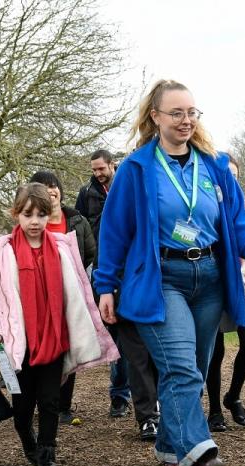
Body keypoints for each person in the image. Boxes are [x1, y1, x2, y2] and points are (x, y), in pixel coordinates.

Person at [94, 79, 245, 466]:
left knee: (192, 371)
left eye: (191, 112)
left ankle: (167, 444)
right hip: (162, 280)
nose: (185, 120)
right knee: (179, 367)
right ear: (156, 117)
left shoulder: (213, 164)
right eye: (175, 112)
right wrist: (106, 285)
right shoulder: (137, 169)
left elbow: (237, 219)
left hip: (211, 277)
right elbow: (114, 231)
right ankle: (199, 455)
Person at [0, 183, 118, 466]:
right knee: (21, 409)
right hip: (21, 342)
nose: (35, 221)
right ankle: (27, 438)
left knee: (50, 401)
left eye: (41, 214)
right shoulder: (1, 252)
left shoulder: (61, 247)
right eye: (28, 214)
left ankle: (47, 459)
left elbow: (79, 291)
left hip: (54, 336)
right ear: (15, 213)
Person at [204, 153, 245, 431]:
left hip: (242, 283)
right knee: (215, 350)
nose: (229, 178)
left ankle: (234, 396)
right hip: (214, 281)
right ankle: (215, 409)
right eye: (225, 174)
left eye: (234, 174)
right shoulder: (209, 205)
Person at [28, 170, 96, 425]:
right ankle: (42, 398)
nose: (51, 190)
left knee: (68, 346)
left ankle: (63, 405)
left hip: (71, 292)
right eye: (44, 187)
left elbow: (90, 252)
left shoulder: (76, 219)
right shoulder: (33, 221)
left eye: (53, 185)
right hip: (40, 295)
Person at [76, 149, 136, 423]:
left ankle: (146, 396)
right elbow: (80, 225)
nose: (97, 173)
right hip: (103, 267)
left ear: (113, 165)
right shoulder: (87, 192)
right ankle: (120, 396)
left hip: (133, 266)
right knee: (116, 335)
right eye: (94, 169)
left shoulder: (128, 183)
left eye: (101, 168)